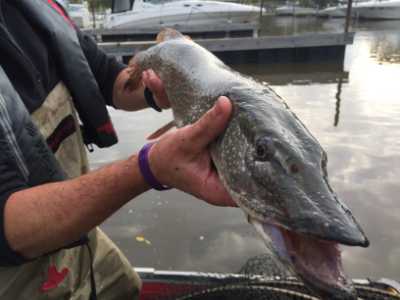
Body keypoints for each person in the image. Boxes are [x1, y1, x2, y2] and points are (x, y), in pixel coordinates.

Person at [0, 0, 235, 299]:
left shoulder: (33, 8)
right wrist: (147, 168)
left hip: (81, 241)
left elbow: (109, 76)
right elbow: (8, 225)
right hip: (19, 279)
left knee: (124, 286)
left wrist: (161, 84)